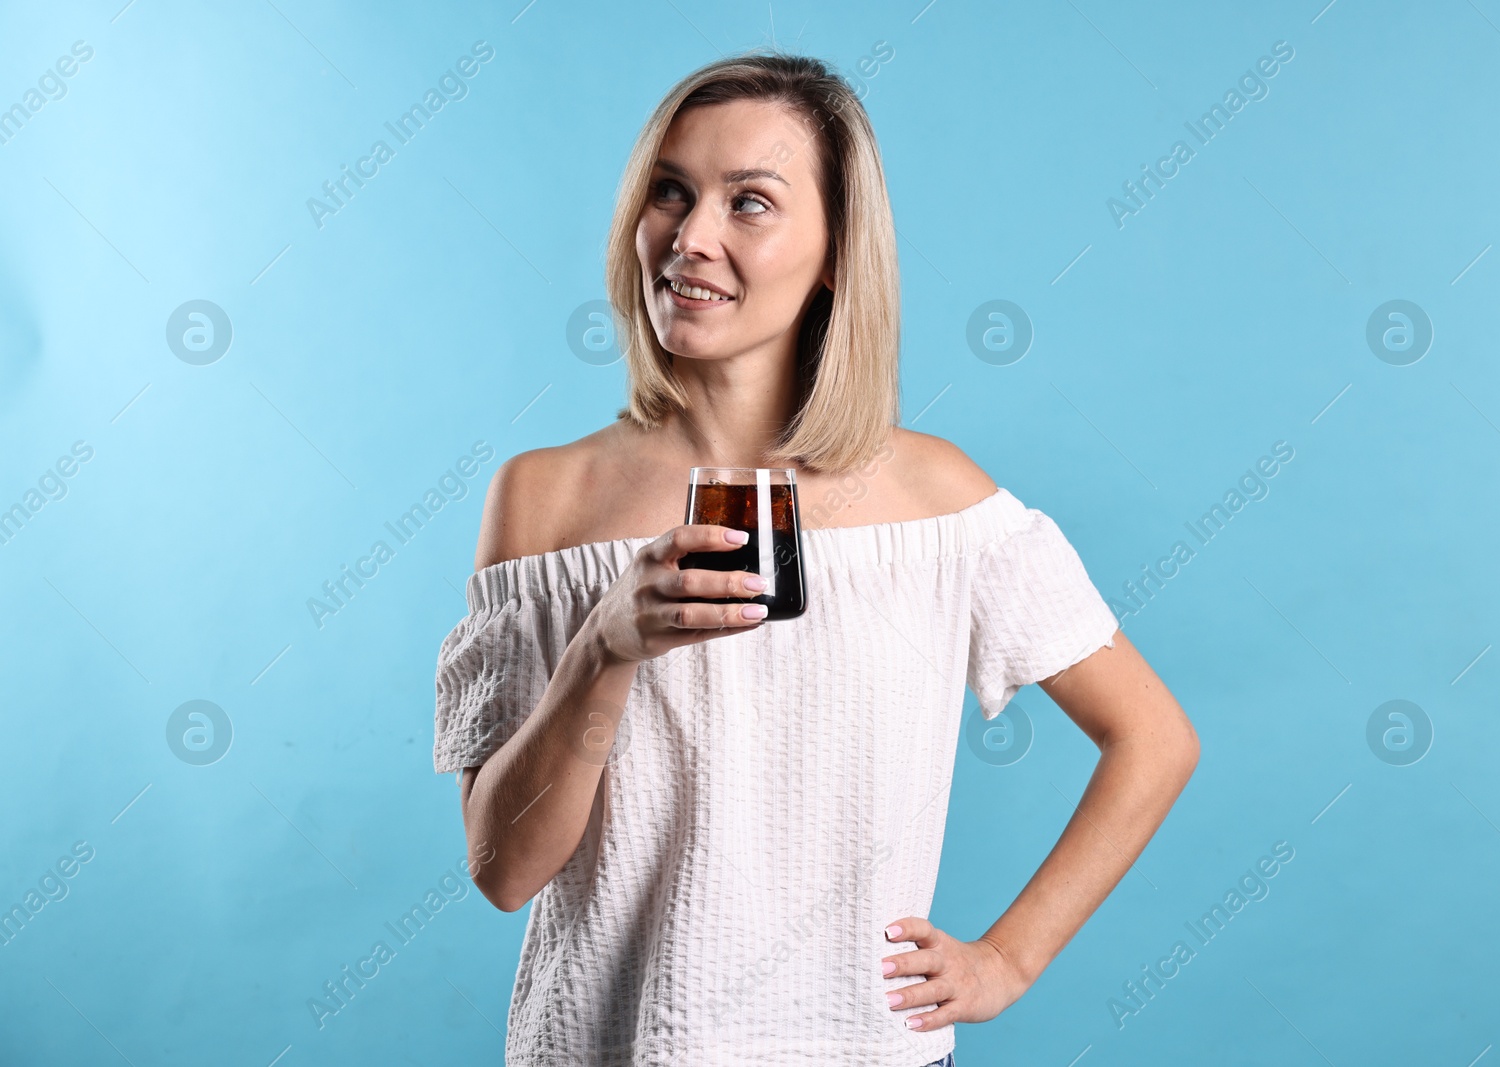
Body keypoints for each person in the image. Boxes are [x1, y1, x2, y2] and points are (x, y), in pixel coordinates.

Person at [433, 50, 1199, 1067]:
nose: (691, 237)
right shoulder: (544, 498)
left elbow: (1153, 736)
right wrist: (602, 649)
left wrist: (1007, 960)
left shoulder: (939, 505)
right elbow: (503, 867)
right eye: (671, 191)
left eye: (749, 202)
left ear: (837, 250)